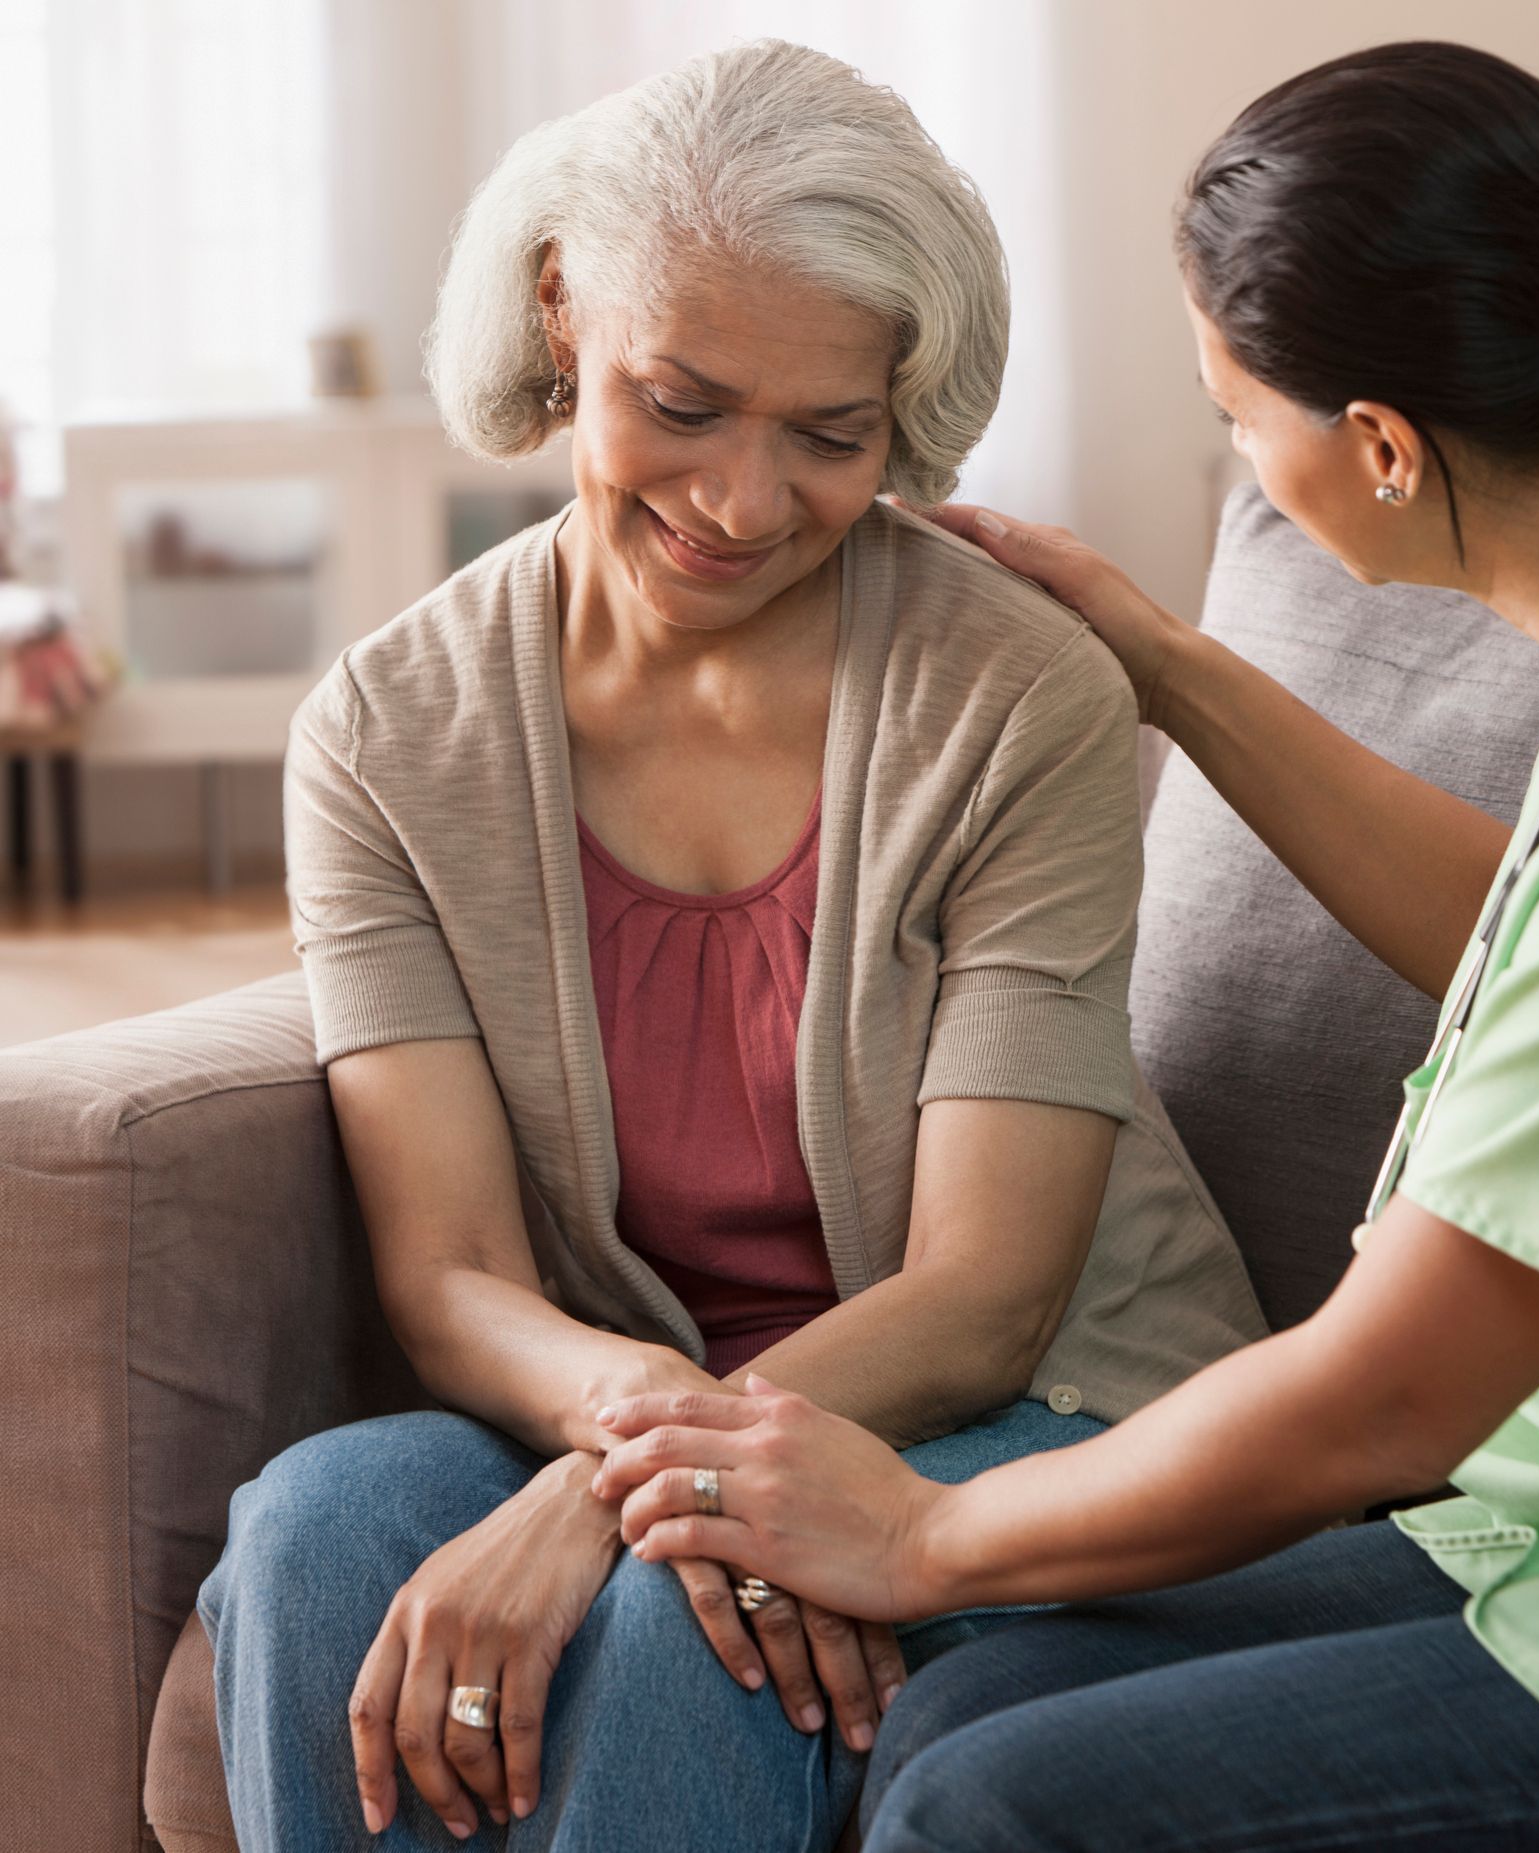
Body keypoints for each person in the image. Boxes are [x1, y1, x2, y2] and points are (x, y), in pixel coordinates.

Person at [194, 38, 1266, 1853]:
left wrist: (616, 1499)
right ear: (562, 315)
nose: (745, 500)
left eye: (828, 435)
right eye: (682, 403)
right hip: (639, 1395)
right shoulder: (386, 734)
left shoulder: (1015, 697)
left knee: (694, 1623)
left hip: (1031, 1404)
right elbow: (450, 1269)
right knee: (312, 1531)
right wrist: (650, 1450)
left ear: (901, 409)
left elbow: (988, 1288)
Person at [592, 41, 1539, 1852]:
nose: (1235, 456)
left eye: (1235, 417)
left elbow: (1381, 1396)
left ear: (1377, 444)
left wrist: (915, 1530)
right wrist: (1167, 667)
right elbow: (1529, 951)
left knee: (993, 1798)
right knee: (985, 1689)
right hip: (1536, 1518)